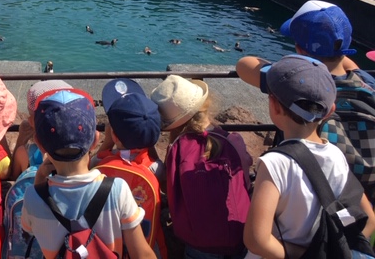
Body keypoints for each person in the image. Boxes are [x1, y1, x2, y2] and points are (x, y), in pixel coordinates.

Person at [242, 54, 375, 258]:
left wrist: (307, 254)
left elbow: (256, 240)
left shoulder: (275, 163)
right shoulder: (336, 155)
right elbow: (369, 220)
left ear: (274, 106)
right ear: (330, 111)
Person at [21, 88, 157, 259]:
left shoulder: (32, 197)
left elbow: (29, 229)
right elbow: (142, 254)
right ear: (95, 140)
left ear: (40, 144)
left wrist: (40, 178)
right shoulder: (117, 190)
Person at [152, 75, 252, 259]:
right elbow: (246, 176)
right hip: (240, 233)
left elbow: (171, 189)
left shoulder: (177, 148)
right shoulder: (233, 140)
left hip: (199, 241)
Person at [236, 0, 375, 89]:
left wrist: (285, 68)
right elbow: (349, 65)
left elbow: (243, 64)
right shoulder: (366, 82)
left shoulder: (294, 83)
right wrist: (332, 44)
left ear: (299, 49)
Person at [91, 78, 163, 181]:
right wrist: (148, 141)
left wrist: (108, 142)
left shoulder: (101, 161)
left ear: (114, 136)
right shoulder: (156, 168)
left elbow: (90, 168)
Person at [11, 79, 73, 179]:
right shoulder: (79, 154)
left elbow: (14, 177)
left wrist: (21, 139)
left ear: (31, 121)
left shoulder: (24, 153)